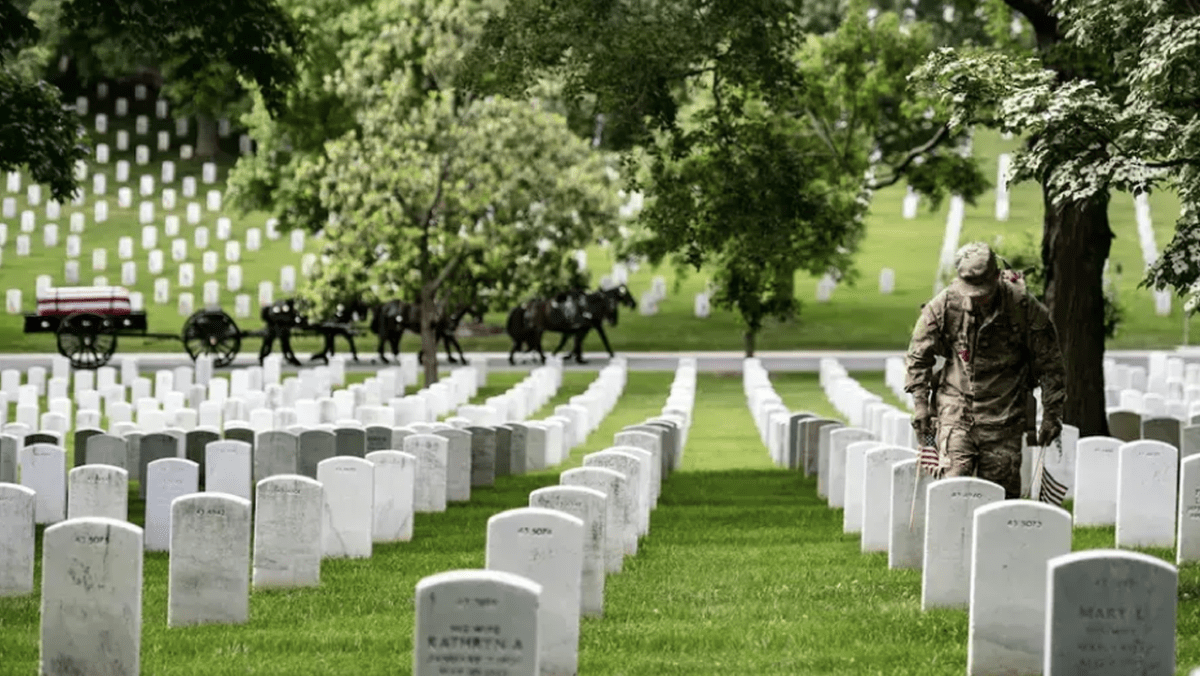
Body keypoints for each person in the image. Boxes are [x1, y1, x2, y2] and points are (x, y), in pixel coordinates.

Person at [904, 241, 1067, 499]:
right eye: (971, 291)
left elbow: (1051, 365)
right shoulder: (946, 304)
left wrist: (1051, 414)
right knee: (952, 485)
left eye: (984, 291)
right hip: (956, 408)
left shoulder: (1023, 307)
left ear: (996, 277)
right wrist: (921, 405)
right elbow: (918, 356)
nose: (977, 298)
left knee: (1000, 494)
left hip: (1004, 413)